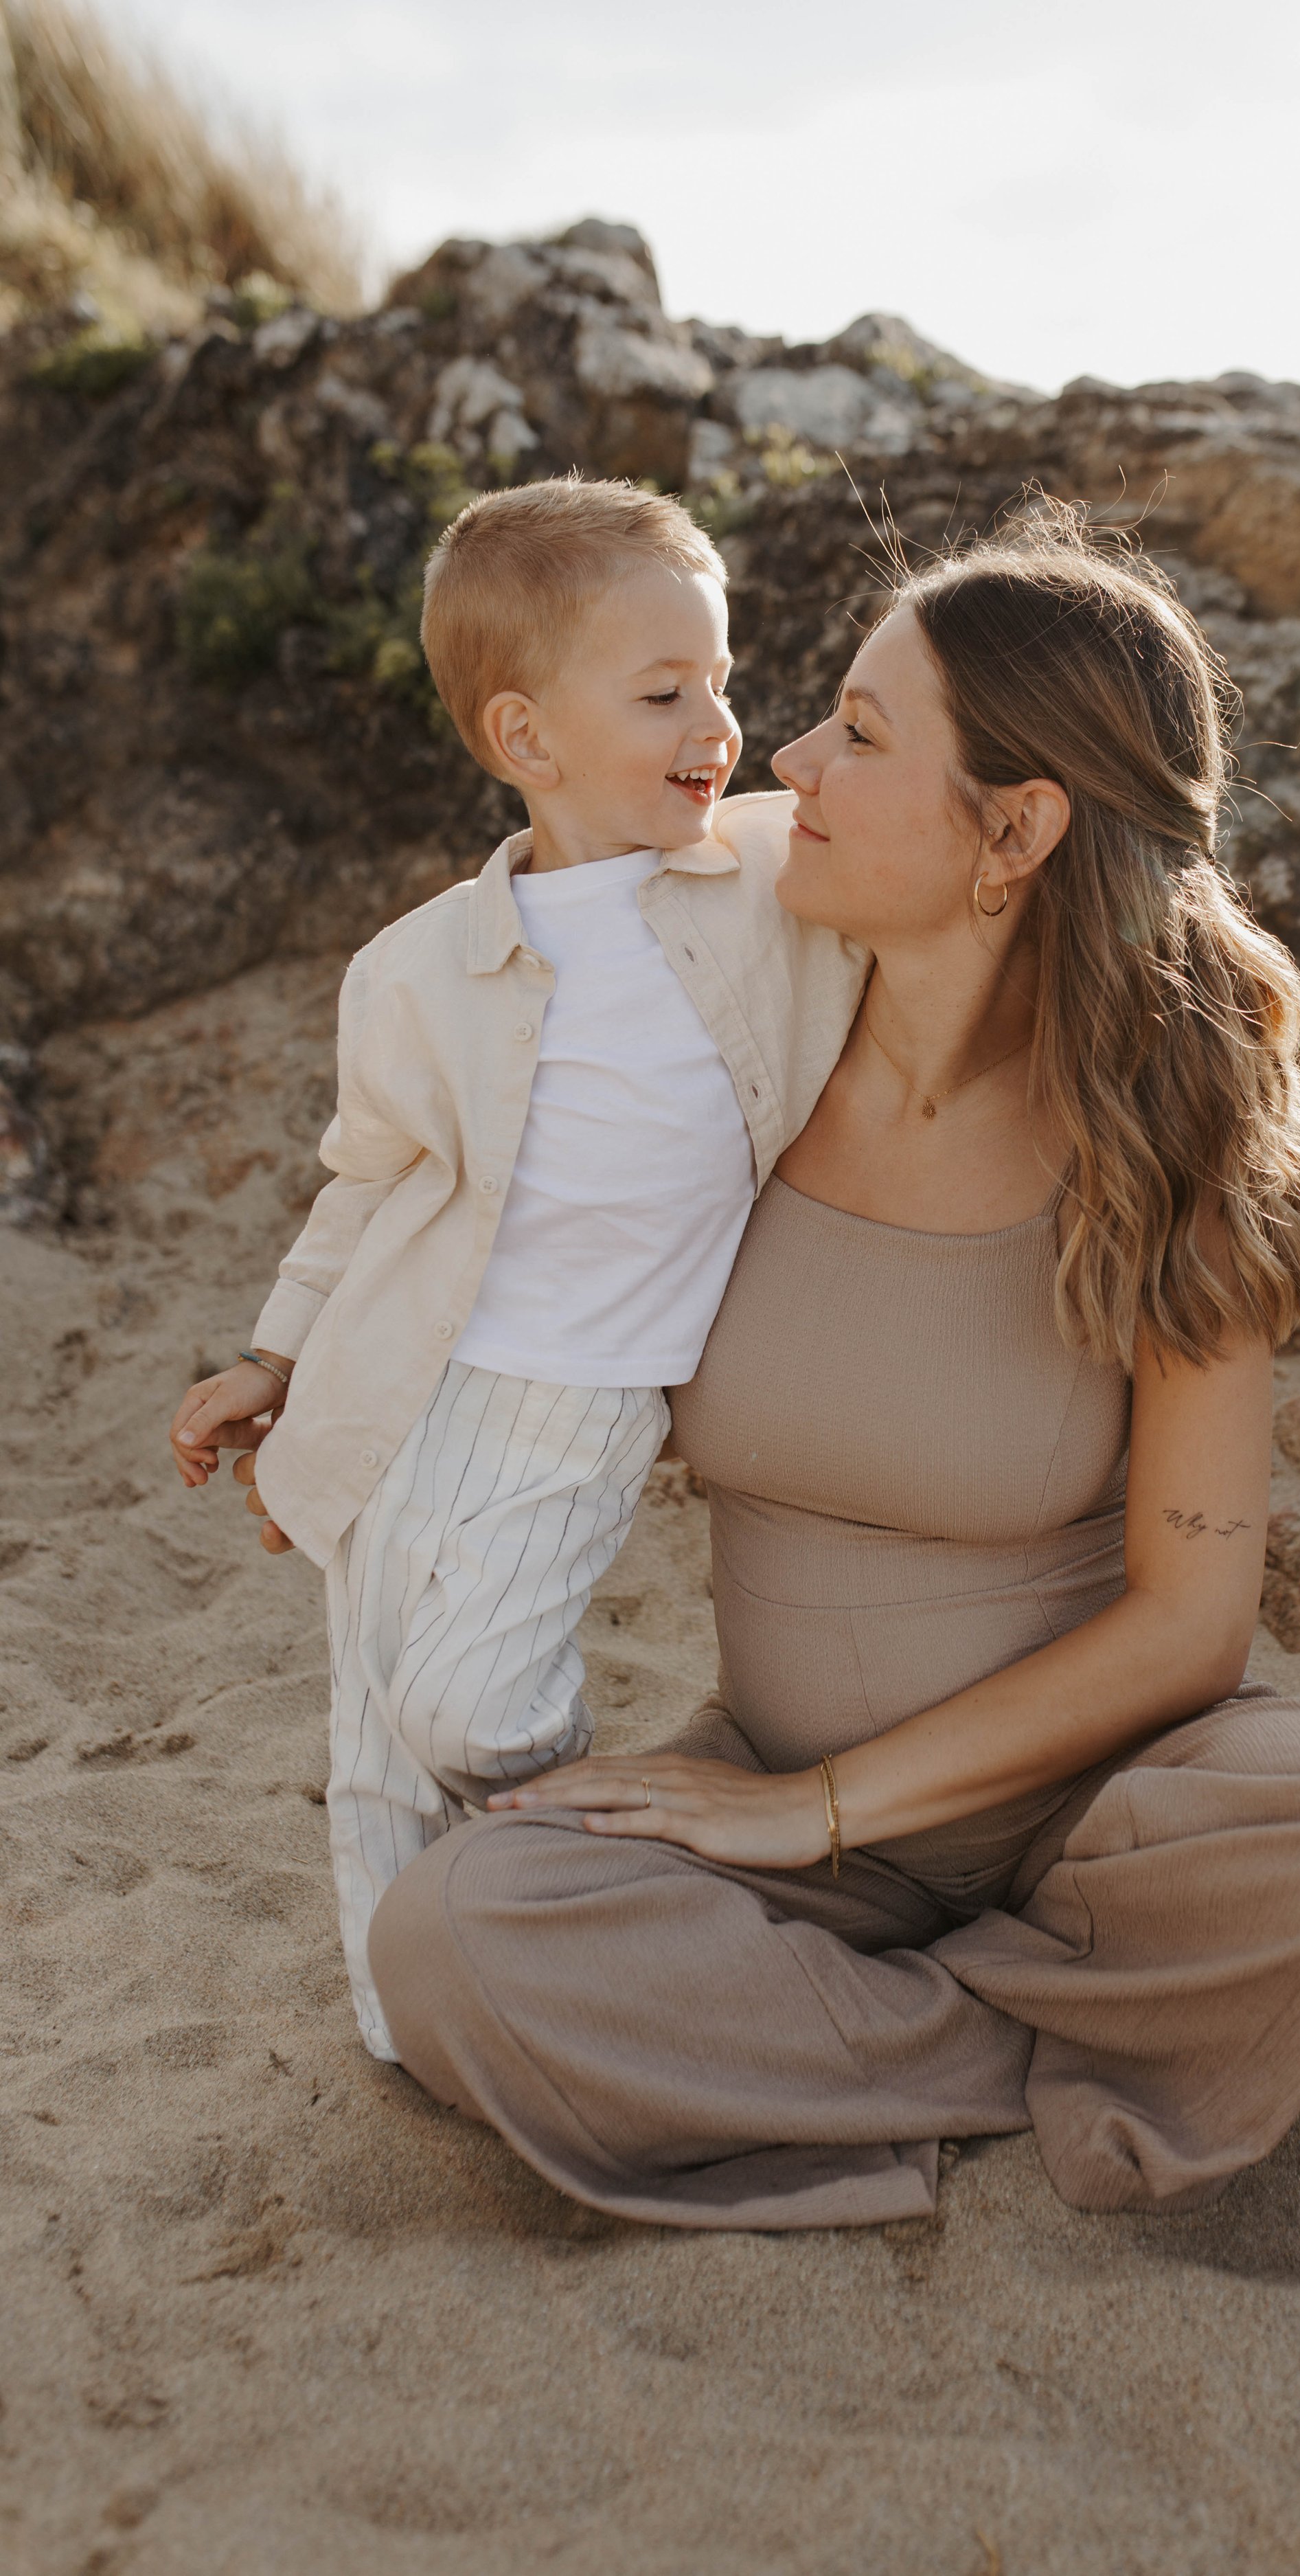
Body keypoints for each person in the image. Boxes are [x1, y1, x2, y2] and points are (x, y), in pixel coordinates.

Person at [362, 510, 1300, 2228]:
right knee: (453, 1940)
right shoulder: (720, 1051)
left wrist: (821, 1812)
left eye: (859, 731)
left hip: (1100, 1824)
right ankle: (1107, 2044)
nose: (788, 756)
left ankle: (1054, 2020)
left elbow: (1186, 1630)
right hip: (764, 1802)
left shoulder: (1172, 1136)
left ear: (1015, 829)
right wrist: (302, 1392)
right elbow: (454, 1186)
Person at [166, 476, 867, 2061]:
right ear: (527, 740)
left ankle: (603, 1844)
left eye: (724, 679)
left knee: (474, 1714)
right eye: (664, 690)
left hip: (584, 1399)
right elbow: (370, 1186)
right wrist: (277, 1362)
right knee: (373, 1742)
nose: (721, 721)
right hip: (402, 1379)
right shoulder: (416, 969)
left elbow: (927, 871)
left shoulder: (764, 878)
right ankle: (417, 2035)